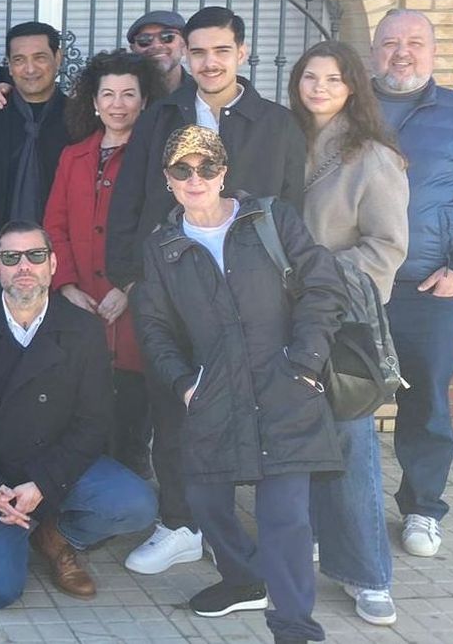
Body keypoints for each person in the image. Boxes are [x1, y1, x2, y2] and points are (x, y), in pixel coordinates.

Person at [106, 6, 307, 576]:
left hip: (255, 299)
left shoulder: (276, 123)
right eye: (198, 52)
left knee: (260, 412)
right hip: (170, 289)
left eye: (221, 50)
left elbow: (295, 211)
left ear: (242, 52)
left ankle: (255, 532)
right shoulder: (160, 116)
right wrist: (130, 277)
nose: (209, 62)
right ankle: (181, 525)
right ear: (185, 57)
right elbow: (130, 200)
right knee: (174, 408)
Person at [134, 125, 347, 644]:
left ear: (224, 172)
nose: (195, 178)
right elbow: (154, 327)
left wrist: (307, 363)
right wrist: (185, 384)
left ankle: (294, 627)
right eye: (182, 169)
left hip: (285, 390)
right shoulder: (163, 248)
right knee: (204, 502)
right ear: (168, 179)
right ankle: (245, 578)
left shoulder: (272, 219)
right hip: (214, 396)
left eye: (206, 167)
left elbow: (323, 286)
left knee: (286, 520)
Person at [0, 221, 157, 609]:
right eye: (11, 258)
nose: (24, 267)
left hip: (55, 469)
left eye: (35, 256)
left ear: (52, 264)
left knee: (137, 504)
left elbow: (95, 420)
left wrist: (44, 483)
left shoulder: (83, 328)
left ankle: (54, 533)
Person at [368, 8, 453, 558]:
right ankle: (333, 506)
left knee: (426, 405)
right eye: (391, 42)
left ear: (432, 49)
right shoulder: (347, 104)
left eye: (415, 42)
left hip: (428, 287)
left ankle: (422, 509)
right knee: (337, 398)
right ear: (373, 49)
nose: (403, 52)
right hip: (355, 286)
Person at [289, 40, 409, 626]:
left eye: (332, 79)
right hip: (281, 316)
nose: (318, 88)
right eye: (309, 77)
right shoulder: (287, 142)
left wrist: (319, 275)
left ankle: (368, 575)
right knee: (291, 441)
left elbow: (386, 248)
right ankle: (303, 542)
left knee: (351, 445)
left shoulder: (372, 157)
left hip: (341, 321)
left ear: (353, 87)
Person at [43, 50, 166, 478]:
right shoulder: (73, 157)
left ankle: (133, 500)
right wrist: (66, 286)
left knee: (132, 414)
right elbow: (54, 225)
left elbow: (162, 228)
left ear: (144, 101)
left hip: (134, 303)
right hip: (82, 304)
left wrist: (130, 287)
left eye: (128, 94)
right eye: (108, 94)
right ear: (93, 102)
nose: (118, 104)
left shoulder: (156, 158)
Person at [0, 21, 71, 254]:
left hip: (63, 256)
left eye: (40, 57)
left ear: (58, 58)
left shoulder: (79, 120)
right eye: (19, 60)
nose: (29, 69)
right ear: (8, 65)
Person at [126, 9, 188, 94]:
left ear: (184, 45)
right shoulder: (123, 95)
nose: (156, 45)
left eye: (167, 36)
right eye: (144, 39)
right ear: (134, 50)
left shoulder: (202, 93)